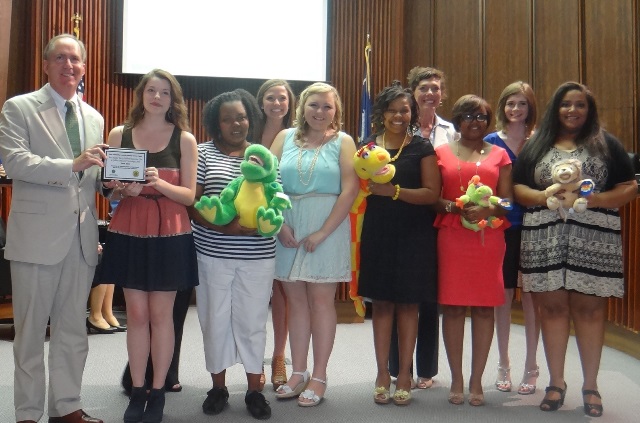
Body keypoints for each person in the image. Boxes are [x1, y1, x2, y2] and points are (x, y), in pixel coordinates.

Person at [512, 82, 637, 417]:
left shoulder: (606, 143)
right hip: (544, 237)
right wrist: (543, 197)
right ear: (556, 108)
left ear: (589, 109)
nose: (572, 110)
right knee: (551, 310)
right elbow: (518, 187)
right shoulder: (537, 144)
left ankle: (591, 386)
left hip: (594, 238)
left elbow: (629, 187)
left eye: (580, 105)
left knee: (590, 311)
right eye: (566, 104)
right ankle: (556, 383)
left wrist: (595, 199)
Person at [0, 33, 107, 423]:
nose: (68, 65)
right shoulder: (20, 107)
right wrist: (72, 165)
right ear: (45, 65)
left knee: (73, 331)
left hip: (81, 241)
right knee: (30, 334)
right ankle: (28, 413)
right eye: (60, 58)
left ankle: (66, 407)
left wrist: (113, 185)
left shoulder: (94, 117)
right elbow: (15, 162)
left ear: (84, 68)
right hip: (36, 241)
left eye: (75, 59)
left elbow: (92, 179)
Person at [99, 69, 199, 423]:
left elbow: (189, 195)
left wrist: (159, 184)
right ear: (141, 94)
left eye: (165, 92)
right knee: (137, 315)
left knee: (161, 316)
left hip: (170, 232)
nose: (157, 97)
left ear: (173, 100)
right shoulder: (118, 134)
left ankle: (158, 392)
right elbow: (108, 187)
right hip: (129, 229)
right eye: (151, 90)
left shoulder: (184, 139)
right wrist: (119, 188)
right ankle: (137, 390)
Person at [271, 82, 358, 407]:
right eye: (314, 105)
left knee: (321, 302)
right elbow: (266, 182)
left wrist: (322, 232)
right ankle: (298, 372)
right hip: (288, 225)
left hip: (327, 226)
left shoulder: (343, 141)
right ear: (302, 108)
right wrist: (279, 225)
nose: (320, 112)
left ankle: (319, 375)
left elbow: (349, 189)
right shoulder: (284, 137)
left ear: (336, 111)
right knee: (295, 302)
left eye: (327, 106)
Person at [189, 91, 274, 420]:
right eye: (227, 119)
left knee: (252, 323)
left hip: (258, 257)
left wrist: (264, 223)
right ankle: (218, 388)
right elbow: (192, 203)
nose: (236, 124)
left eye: (241, 117)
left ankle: (254, 390)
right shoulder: (202, 153)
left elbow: (276, 197)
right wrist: (226, 229)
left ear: (250, 118)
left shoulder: (262, 155)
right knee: (215, 321)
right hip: (212, 254)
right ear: (216, 123)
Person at [357, 81, 440, 406]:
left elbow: (431, 194)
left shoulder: (421, 147)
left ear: (412, 113)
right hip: (378, 233)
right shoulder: (366, 147)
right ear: (382, 112)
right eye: (392, 110)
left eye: (404, 110)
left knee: (408, 305)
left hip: (414, 235)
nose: (398, 116)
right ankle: (382, 373)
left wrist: (393, 192)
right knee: (381, 305)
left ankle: (404, 373)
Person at [434, 95, 512, 406]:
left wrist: (489, 211)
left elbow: (507, 201)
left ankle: (477, 379)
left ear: (488, 121)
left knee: (483, 308)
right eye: (467, 116)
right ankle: (456, 378)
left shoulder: (500, 155)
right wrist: (455, 208)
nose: (474, 122)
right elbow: (433, 198)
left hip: (488, 238)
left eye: (481, 116)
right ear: (457, 120)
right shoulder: (440, 153)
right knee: (452, 308)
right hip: (452, 237)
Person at [388, 66, 456, 391]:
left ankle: (426, 368)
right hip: (402, 214)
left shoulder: (452, 132)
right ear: (412, 93)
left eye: (435, 88)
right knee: (398, 294)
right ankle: (396, 366)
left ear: (442, 94)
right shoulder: (400, 125)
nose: (430, 93)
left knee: (429, 296)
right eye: (424, 88)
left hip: (439, 219)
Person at [484, 81, 542, 394]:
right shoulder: (491, 142)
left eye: (521, 103)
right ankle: (503, 364)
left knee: (532, 297)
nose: (515, 109)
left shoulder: (542, 141)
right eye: (510, 103)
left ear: (530, 108)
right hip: (503, 227)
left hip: (537, 227)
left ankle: (531, 366)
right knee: (503, 296)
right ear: (502, 107)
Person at [256, 79, 297, 390]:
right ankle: (253, 361)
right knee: (256, 295)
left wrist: (282, 224)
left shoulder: (297, 136)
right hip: (253, 223)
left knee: (283, 293)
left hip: (285, 221)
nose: (277, 103)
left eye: (282, 98)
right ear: (261, 102)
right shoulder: (248, 135)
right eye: (271, 97)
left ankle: (279, 356)